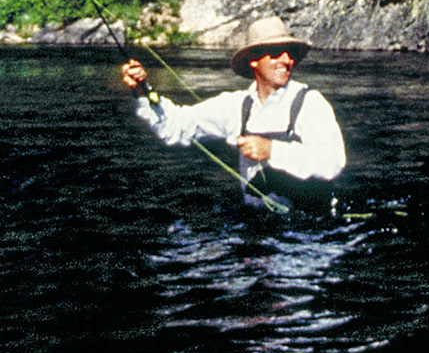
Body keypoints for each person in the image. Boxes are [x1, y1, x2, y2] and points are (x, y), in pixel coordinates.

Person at [121, 15, 346, 209]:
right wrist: (142, 89)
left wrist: (271, 150)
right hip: (258, 231)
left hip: (310, 235)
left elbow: (333, 163)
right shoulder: (234, 106)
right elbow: (176, 127)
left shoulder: (311, 103)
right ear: (254, 60)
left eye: (289, 53)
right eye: (276, 52)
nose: (287, 60)